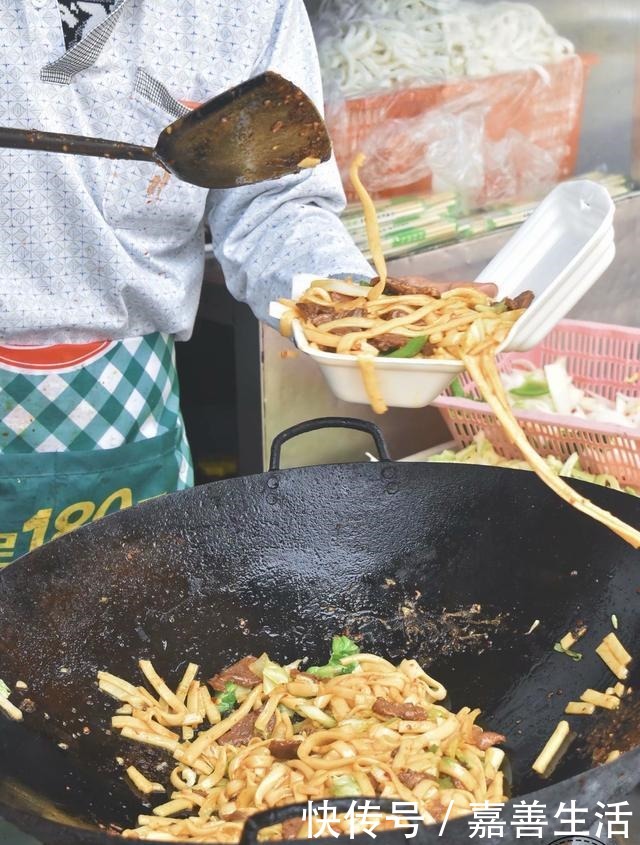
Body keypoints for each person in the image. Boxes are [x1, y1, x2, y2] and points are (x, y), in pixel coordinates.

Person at [0, 0, 494, 567]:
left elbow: (273, 203)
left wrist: (354, 310)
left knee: (131, 628)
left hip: (130, 402)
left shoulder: (246, 10)